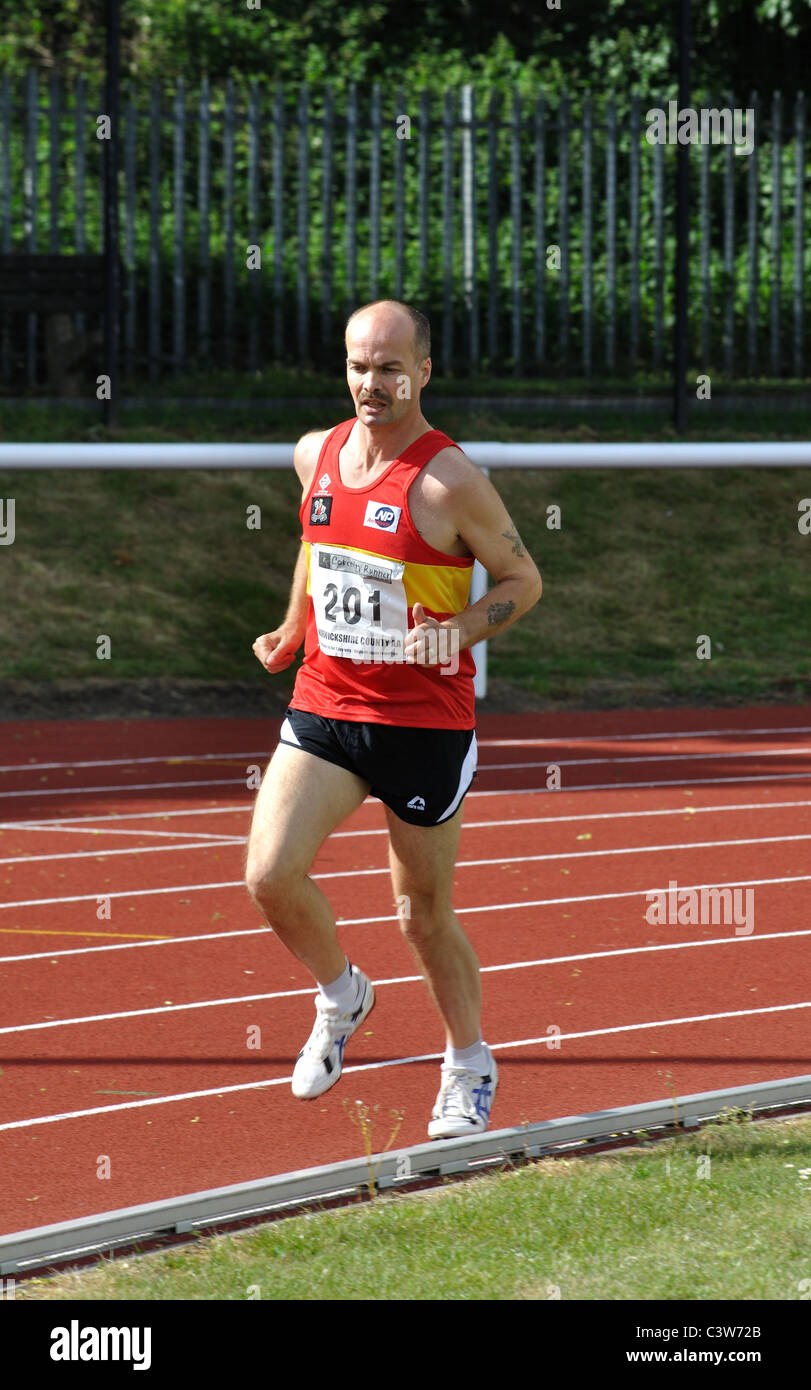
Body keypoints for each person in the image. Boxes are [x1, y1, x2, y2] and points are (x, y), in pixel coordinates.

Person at [245, 299, 542, 1138]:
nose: (370, 384)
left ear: (423, 372)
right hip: (327, 705)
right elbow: (316, 540)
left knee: (419, 913)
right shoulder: (318, 454)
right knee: (268, 874)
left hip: (421, 727)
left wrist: (456, 630)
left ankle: (466, 1063)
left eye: (388, 367)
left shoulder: (449, 481)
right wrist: (296, 623)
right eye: (356, 366)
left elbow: (523, 581)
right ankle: (342, 994)